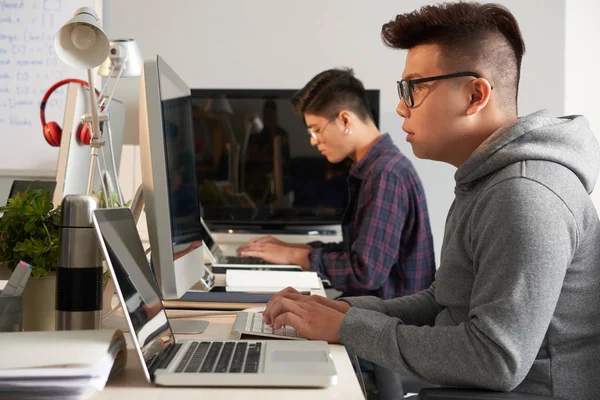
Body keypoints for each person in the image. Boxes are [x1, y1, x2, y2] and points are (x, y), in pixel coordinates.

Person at [261, 3, 600, 399]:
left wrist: (349, 328)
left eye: (415, 88)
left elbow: (495, 358)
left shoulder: (525, 193)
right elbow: (444, 300)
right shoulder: (485, 180)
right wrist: (348, 312)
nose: (401, 106)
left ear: (475, 94)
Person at [237, 68, 436, 301]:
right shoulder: (379, 166)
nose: (313, 140)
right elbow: (358, 252)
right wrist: (295, 249)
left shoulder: (384, 174)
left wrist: (292, 255)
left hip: (388, 319)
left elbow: (365, 273)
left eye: (316, 130)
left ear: (344, 119)